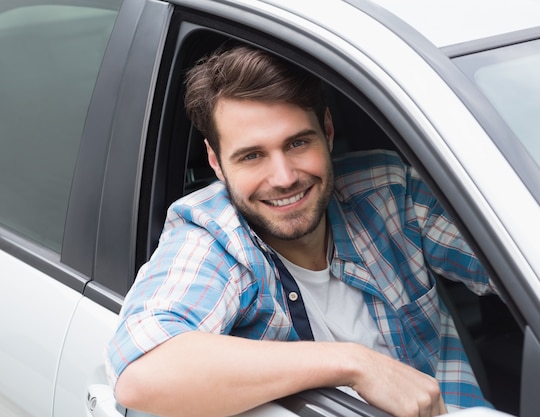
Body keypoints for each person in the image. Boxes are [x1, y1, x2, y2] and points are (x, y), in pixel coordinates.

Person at [106, 43, 496, 417]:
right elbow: (142, 370)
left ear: (327, 131)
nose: (284, 177)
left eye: (296, 143)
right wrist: (353, 363)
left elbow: (528, 266)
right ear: (216, 162)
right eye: (252, 155)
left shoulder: (389, 191)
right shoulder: (212, 235)